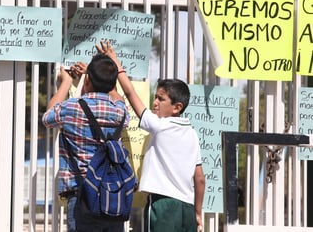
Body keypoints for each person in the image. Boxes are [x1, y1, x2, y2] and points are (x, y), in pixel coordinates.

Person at [96, 40, 205, 232]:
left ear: (177, 107)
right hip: (186, 208)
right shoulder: (192, 134)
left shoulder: (160, 126)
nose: (155, 103)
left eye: (161, 99)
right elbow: (200, 179)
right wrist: (197, 212)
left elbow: (130, 93)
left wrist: (115, 62)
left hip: (162, 205)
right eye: (155, 97)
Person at [42, 54, 130, 232]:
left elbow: (48, 117)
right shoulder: (120, 111)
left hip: (82, 195)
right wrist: (100, 80)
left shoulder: (71, 107)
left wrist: (66, 82)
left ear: (87, 79)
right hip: (112, 195)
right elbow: (117, 97)